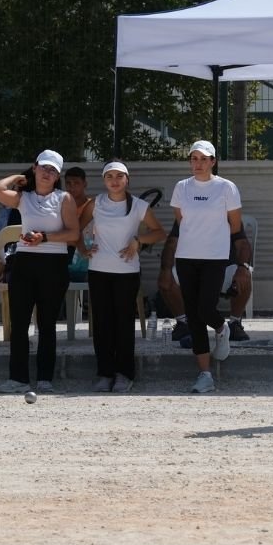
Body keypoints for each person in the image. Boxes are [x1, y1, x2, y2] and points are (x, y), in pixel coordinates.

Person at [0, 150, 79, 394]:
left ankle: (44, 378)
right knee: (19, 322)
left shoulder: (64, 199)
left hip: (54, 264)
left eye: (53, 170)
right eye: (44, 168)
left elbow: (73, 233)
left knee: (47, 323)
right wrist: (17, 177)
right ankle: (18, 378)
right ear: (35, 167)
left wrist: (45, 237)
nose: (47, 173)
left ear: (58, 174)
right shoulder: (23, 197)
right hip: (24, 263)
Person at [78, 161, 166, 392]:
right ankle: (105, 373)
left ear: (127, 179)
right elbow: (76, 228)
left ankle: (125, 374)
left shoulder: (138, 206)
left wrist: (138, 241)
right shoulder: (95, 203)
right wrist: (83, 249)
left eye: (119, 176)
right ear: (104, 180)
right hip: (98, 270)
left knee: (124, 324)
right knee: (102, 324)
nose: (114, 180)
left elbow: (159, 232)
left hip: (127, 272)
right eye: (109, 176)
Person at [168, 140, 248, 393]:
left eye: (203, 159)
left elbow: (235, 225)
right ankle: (205, 374)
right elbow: (182, 221)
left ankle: (222, 327)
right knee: (193, 316)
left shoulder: (226, 188)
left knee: (205, 308)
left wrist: (238, 260)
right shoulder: (181, 187)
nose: (198, 163)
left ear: (213, 161)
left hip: (215, 258)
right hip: (186, 258)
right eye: (194, 158)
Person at [158, 219, 253, 345]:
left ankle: (234, 323)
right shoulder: (187, 212)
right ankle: (183, 323)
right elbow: (171, 243)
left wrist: (243, 268)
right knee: (167, 278)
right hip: (191, 269)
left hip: (223, 267)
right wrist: (166, 269)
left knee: (245, 276)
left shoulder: (228, 213)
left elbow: (243, 244)